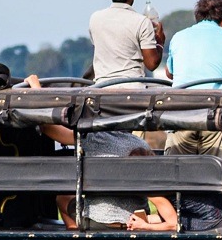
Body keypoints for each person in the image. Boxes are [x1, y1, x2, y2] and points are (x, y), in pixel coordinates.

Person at [26, 75, 175, 229]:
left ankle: (76, 234)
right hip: (135, 221)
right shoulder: (141, 145)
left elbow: (49, 127)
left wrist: (36, 88)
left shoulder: (94, 138)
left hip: (98, 223)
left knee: (63, 199)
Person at [164, 0, 222, 158]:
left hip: (180, 112)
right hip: (215, 115)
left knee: (176, 174)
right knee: (217, 174)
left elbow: (170, 73)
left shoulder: (178, 36)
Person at [89, 0, 166, 87]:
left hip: (102, 87)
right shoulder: (142, 22)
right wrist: (160, 42)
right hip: (132, 88)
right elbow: (152, 64)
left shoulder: (95, 18)